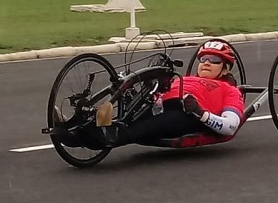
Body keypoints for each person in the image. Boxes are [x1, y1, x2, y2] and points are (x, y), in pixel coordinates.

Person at [54, 40, 245, 148]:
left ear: (226, 69)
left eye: (214, 60)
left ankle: (97, 137)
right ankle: (74, 124)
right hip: (157, 102)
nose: (206, 62)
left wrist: (201, 113)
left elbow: (230, 127)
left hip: (185, 114)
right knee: (127, 109)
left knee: (135, 129)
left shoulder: (230, 91)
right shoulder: (184, 78)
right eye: (203, 58)